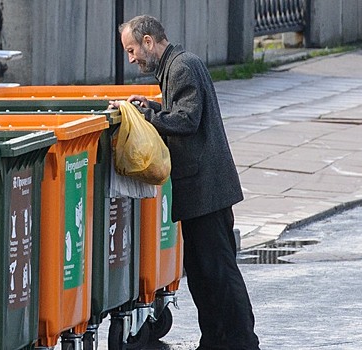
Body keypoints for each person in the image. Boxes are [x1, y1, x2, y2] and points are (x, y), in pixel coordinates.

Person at [110, 15, 260, 350]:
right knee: (203, 271)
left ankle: (241, 341)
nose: (131, 58)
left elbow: (187, 120)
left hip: (207, 190)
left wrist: (146, 116)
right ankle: (217, 340)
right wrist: (153, 105)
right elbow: (180, 109)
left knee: (218, 271)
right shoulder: (177, 67)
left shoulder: (181, 67)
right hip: (202, 189)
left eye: (132, 49)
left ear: (149, 41)